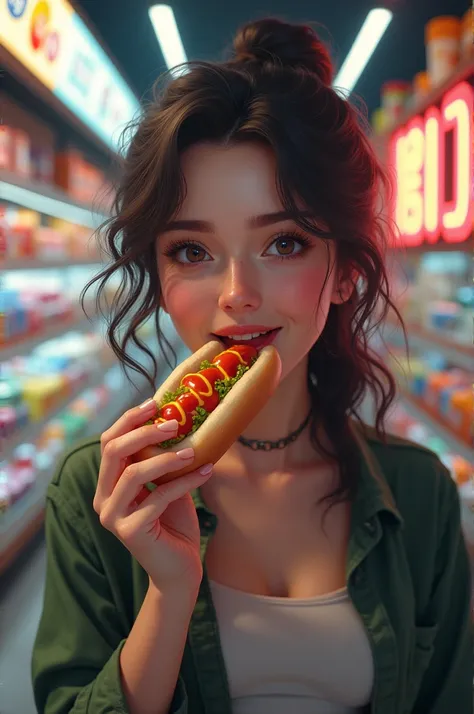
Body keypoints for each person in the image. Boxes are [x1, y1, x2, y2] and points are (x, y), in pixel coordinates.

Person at [32, 17, 472, 714]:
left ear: (345, 272)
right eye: (192, 252)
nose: (237, 294)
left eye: (285, 242)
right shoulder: (98, 491)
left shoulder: (420, 497)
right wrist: (169, 593)